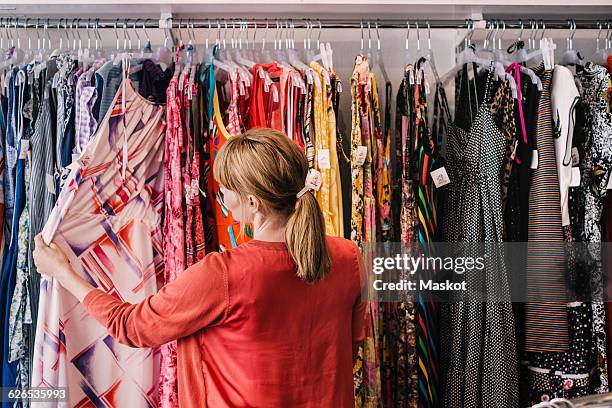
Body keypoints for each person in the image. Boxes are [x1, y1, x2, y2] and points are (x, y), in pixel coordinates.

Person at [33, 127, 365, 408]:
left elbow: (132, 326)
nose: (224, 201)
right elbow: (347, 350)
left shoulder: (225, 274)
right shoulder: (349, 257)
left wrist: (64, 273)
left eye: (226, 192)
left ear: (252, 202)